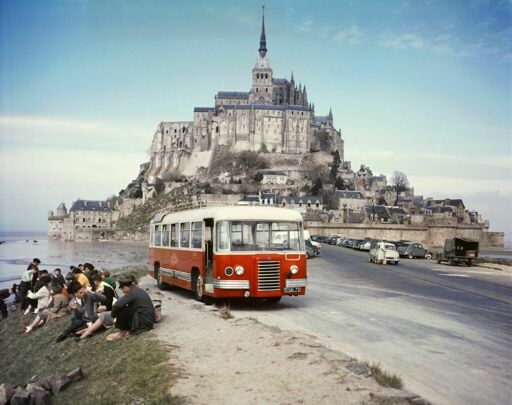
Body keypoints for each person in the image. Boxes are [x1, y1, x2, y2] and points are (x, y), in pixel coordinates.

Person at [107, 277, 155, 341]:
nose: (123, 292)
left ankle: (121, 334)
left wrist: (113, 316)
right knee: (127, 308)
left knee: (122, 309)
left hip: (144, 322)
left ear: (125, 287)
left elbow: (117, 305)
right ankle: (126, 330)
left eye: (122, 289)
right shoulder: (137, 290)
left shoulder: (132, 293)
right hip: (148, 320)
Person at [76, 275, 118, 340]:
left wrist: (104, 307)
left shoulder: (105, 287)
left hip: (111, 309)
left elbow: (109, 301)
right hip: (110, 309)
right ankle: (82, 333)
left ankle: (83, 334)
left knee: (100, 318)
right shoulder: (103, 286)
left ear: (96, 281)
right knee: (96, 320)